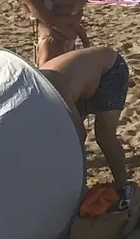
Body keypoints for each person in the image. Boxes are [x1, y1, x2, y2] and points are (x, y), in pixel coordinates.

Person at [40, 47, 132, 197]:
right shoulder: (36, 92)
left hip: (111, 69)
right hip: (81, 82)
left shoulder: (53, 92)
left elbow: (78, 135)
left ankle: (123, 185)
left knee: (104, 136)